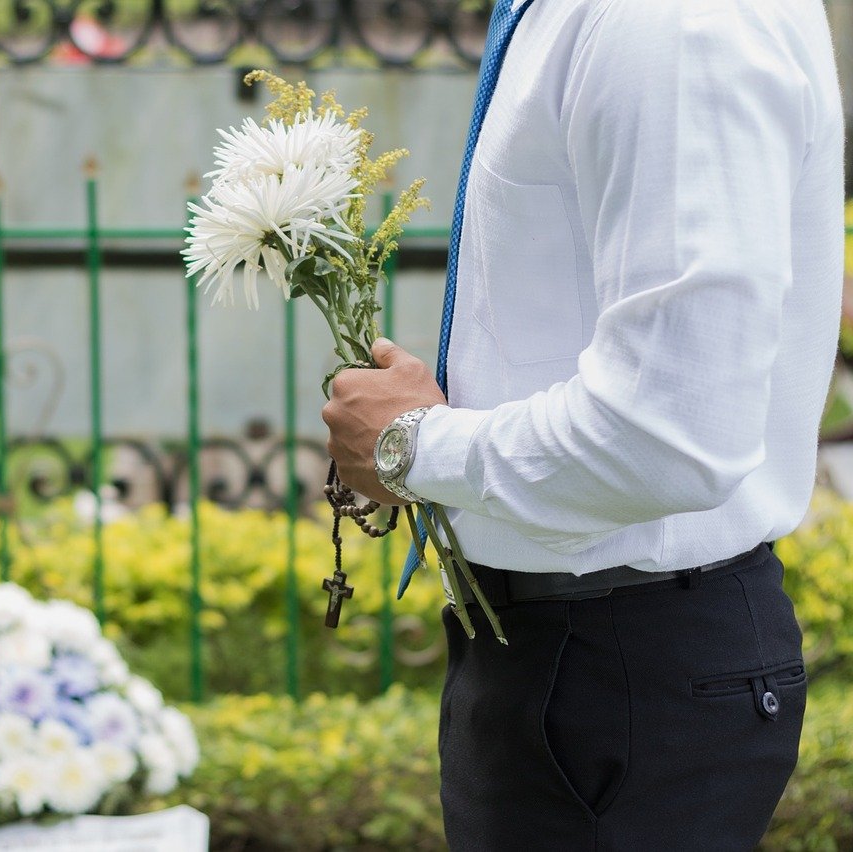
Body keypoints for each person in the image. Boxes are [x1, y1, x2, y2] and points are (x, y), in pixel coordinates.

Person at [320, 0, 845, 848]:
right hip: (571, 655)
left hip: (618, 668)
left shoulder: (668, 23)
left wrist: (414, 444)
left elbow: (668, 438)